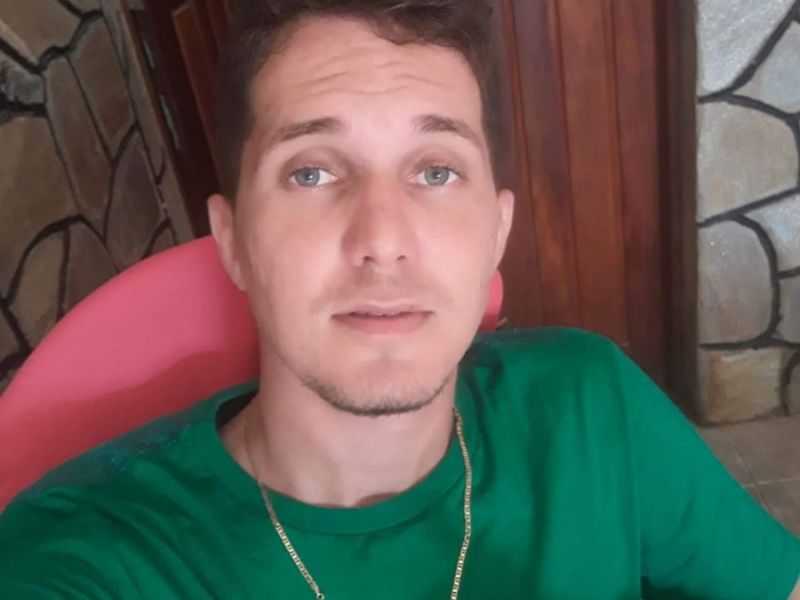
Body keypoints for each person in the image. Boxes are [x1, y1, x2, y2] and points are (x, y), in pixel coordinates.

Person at [1, 0, 799, 597]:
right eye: (312, 171)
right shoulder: (89, 557)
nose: (383, 239)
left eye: (436, 170)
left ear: (496, 231)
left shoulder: (591, 407)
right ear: (233, 240)